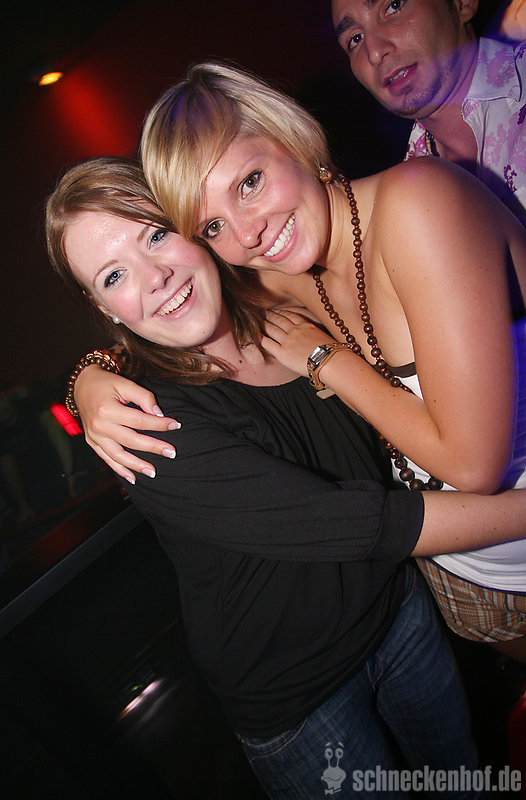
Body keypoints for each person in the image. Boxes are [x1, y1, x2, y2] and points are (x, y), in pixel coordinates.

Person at [47, 155, 526, 799]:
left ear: (195, 226)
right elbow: (362, 523)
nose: (154, 277)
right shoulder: (147, 421)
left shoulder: (285, 305)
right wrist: (89, 378)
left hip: (399, 614)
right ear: (102, 306)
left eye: (156, 235)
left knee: (465, 781)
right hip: (301, 695)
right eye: (114, 275)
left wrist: (86, 372)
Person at [72, 63, 526, 661]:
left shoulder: (423, 202)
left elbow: (473, 465)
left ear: (290, 136)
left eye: (249, 182)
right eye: (213, 225)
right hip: (465, 581)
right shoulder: (278, 279)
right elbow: (171, 310)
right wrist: (89, 375)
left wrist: (326, 360)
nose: (248, 234)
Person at [330, 0, 526, 224]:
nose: (374, 53)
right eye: (355, 39)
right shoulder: (410, 206)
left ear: (462, 4)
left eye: (393, 6)